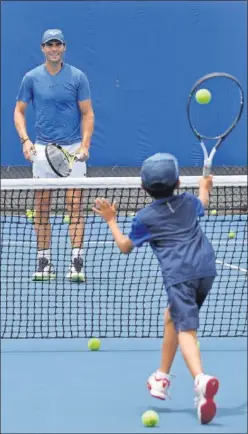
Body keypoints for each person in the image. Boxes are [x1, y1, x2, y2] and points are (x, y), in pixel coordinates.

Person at [92, 153, 219, 425]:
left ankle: (200, 379)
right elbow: (203, 204)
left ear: (142, 188)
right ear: (179, 182)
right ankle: (162, 377)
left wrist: (111, 220)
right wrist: (203, 188)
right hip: (206, 269)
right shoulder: (187, 201)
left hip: (180, 276)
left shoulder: (145, 218)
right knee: (172, 316)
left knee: (186, 330)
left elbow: (125, 247)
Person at [14, 29, 94, 281]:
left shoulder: (78, 77)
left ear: (64, 47)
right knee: (41, 207)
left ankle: (76, 260)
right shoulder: (31, 78)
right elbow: (18, 111)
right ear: (42, 48)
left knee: (75, 206)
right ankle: (44, 259)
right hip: (42, 151)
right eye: (50, 45)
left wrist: (85, 145)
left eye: (58, 44)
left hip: (71, 150)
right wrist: (25, 141)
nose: (54, 48)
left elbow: (88, 113)